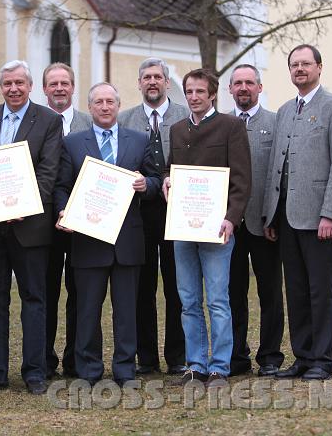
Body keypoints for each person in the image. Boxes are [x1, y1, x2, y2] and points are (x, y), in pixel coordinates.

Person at [0, 60, 62, 395]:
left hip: (29, 226)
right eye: (7, 84)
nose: (13, 89)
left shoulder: (48, 120)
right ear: (0, 88)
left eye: (19, 82)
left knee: (34, 298)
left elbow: (49, 171)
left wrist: (25, 205)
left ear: (30, 85)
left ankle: (34, 372)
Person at [55, 82, 161, 385]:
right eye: (98, 102)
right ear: (90, 107)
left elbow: (156, 177)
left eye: (110, 101)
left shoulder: (140, 140)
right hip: (87, 238)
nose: (104, 106)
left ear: (118, 105)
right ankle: (89, 370)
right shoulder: (73, 142)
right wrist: (63, 210)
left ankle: (125, 370)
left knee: (127, 312)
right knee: (87, 310)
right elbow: (61, 186)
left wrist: (147, 185)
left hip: (127, 240)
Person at [263, 44, 332, 381]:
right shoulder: (286, 110)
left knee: (320, 290)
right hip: (287, 217)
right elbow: (277, 166)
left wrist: (331, 213)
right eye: (294, 65)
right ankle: (302, 357)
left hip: (319, 218)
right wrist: (269, 216)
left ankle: (322, 359)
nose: (299, 69)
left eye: (306, 64)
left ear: (319, 67)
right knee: (297, 290)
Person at [162, 68, 251, 388]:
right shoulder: (177, 129)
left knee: (217, 299)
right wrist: (167, 182)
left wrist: (232, 217)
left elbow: (242, 180)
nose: (194, 97)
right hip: (183, 227)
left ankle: (220, 367)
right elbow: (172, 170)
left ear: (213, 94)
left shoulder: (231, 126)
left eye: (200, 92)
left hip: (217, 228)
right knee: (187, 300)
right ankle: (196, 364)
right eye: (189, 92)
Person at [118, 57, 187, 376]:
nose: (152, 82)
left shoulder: (186, 116)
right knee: (141, 287)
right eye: (146, 77)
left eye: (158, 77)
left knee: (178, 285)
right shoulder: (124, 119)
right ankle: (145, 358)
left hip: (179, 210)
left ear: (167, 82)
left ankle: (177, 356)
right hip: (138, 211)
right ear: (139, 83)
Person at [226, 64, 285, 377]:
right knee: (233, 293)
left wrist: (274, 217)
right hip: (230, 226)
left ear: (260, 88)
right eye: (238, 83)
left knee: (270, 293)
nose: (243, 88)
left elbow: (279, 175)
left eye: (249, 83)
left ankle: (271, 356)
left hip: (265, 225)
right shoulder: (221, 124)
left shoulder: (275, 124)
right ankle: (237, 357)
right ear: (230, 89)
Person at [41, 62, 91, 378]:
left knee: (80, 293)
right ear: (44, 89)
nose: (59, 88)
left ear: (73, 87)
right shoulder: (35, 122)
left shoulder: (89, 124)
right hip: (43, 223)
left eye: (65, 83)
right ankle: (44, 359)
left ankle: (74, 359)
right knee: (45, 292)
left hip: (85, 223)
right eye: (53, 83)